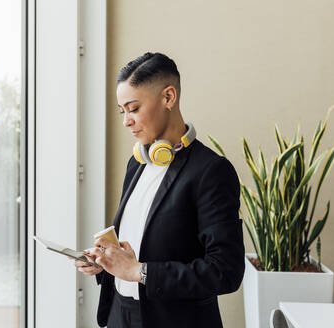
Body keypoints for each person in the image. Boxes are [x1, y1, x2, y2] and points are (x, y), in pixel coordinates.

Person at [71, 52, 245, 328]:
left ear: (168, 97)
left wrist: (140, 271)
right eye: (122, 111)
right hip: (120, 314)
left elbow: (226, 271)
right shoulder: (137, 163)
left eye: (134, 108)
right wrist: (107, 264)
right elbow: (142, 244)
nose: (126, 120)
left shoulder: (211, 171)